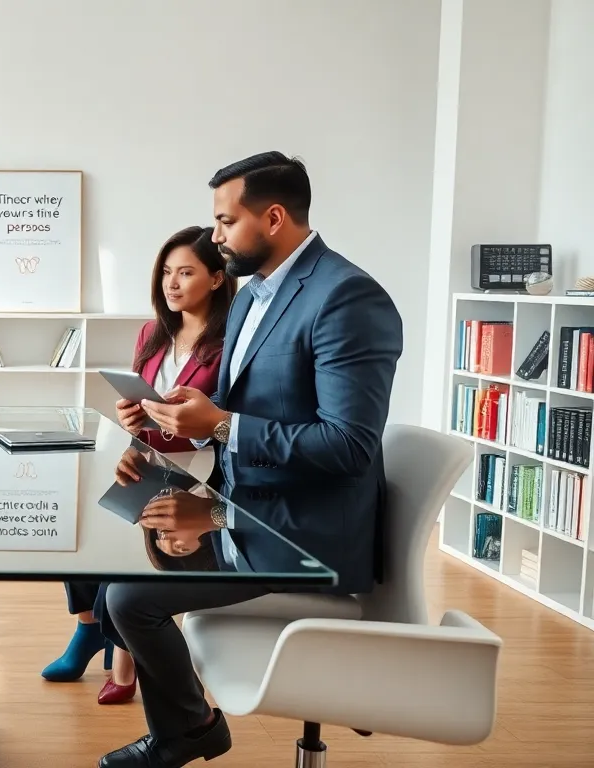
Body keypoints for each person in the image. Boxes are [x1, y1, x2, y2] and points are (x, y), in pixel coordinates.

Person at [97, 151, 404, 768]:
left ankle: (187, 732)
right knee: (118, 574)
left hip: (303, 540)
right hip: (249, 511)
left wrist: (222, 424)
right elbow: (245, 415)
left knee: (129, 598)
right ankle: (187, 727)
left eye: (223, 221)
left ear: (273, 217)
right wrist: (184, 420)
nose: (215, 237)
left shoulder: (346, 297)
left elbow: (348, 446)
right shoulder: (251, 298)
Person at [43, 226, 236, 705]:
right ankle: (90, 630)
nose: (172, 283)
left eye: (186, 272)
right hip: (152, 460)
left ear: (216, 278)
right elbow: (141, 409)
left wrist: (178, 429)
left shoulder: (230, 341)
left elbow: (220, 418)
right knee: (82, 526)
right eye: (167, 272)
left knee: (130, 549)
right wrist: (129, 420)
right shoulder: (153, 332)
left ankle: (123, 657)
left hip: (201, 470)